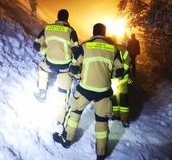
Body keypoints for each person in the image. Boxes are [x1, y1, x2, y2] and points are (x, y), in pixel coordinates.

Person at [53, 23, 124, 160]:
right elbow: (119, 71)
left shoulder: (85, 46)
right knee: (102, 121)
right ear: (104, 33)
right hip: (104, 92)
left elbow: (74, 67)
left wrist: (78, 74)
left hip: (85, 89)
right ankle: (101, 152)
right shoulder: (113, 49)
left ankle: (66, 140)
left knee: (74, 113)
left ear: (93, 32)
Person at [33, 9, 79, 129]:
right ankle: (59, 120)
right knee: (62, 94)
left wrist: (46, 53)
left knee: (41, 68)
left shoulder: (47, 28)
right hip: (65, 68)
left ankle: (42, 92)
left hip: (49, 63)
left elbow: (37, 45)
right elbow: (77, 52)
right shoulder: (71, 31)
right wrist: (74, 64)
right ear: (67, 19)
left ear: (57, 17)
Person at [110, 40, 131, 127]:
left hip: (118, 80)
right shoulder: (120, 48)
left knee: (119, 98)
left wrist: (122, 71)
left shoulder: (118, 49)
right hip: (116, 80)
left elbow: (128, 60)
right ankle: (119, 116)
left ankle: (121, 117)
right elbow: (128, 60)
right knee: (118, 98)